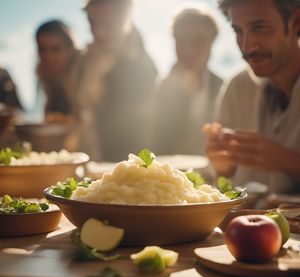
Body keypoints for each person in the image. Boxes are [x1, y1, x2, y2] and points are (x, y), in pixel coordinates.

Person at [203, 0, 300, 193]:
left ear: (295, 22)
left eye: (259, 28)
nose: (247, 45)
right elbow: (221, 184)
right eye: (238, 31)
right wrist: (223, 168)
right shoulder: (236, 87)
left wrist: (288, 161)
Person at [77, 0, 158, 161]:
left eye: (108, 24)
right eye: (92, 23)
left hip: (133, 163)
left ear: (126, 20)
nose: (98, 33)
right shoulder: (85, 59)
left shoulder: (143, 67)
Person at [151, 5, 222, 155]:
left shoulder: (224, 88)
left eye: (199, 40)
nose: (189, 48)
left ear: (212, 41)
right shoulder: (156, 89)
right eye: (182, 39)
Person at [35, 20, 80, 120]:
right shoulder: (47, 75)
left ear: (70, 48)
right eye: (42, 49)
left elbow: (84, 117)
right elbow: (48, 118)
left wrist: (66, 79)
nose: (49, 57)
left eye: (56, 49)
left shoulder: (86, 70)